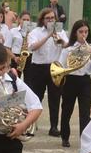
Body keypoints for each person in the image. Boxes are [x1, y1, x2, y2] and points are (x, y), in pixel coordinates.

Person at [23, 8, 68, 137]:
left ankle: (54, 127)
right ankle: (30, 125)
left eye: (52, 18)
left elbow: (66, 45)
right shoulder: (35, 32)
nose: (50, 20)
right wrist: (48, 35)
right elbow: (32, 47)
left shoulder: (61, 31)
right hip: (38, 68)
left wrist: (60, 39)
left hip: (55, 67)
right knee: (36, 98)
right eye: (47, 18)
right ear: (42, 20)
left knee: (55, 98)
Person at [57, 20, 91, 147]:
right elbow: (61, 66)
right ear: (75, 33)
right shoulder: (68, 48)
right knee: (67, 110)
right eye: (81, 32)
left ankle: (85, 139)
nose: (84, 35)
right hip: (70, 80)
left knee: (85, 112)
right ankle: (65, 137)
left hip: (85, 81)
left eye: (86, 32)